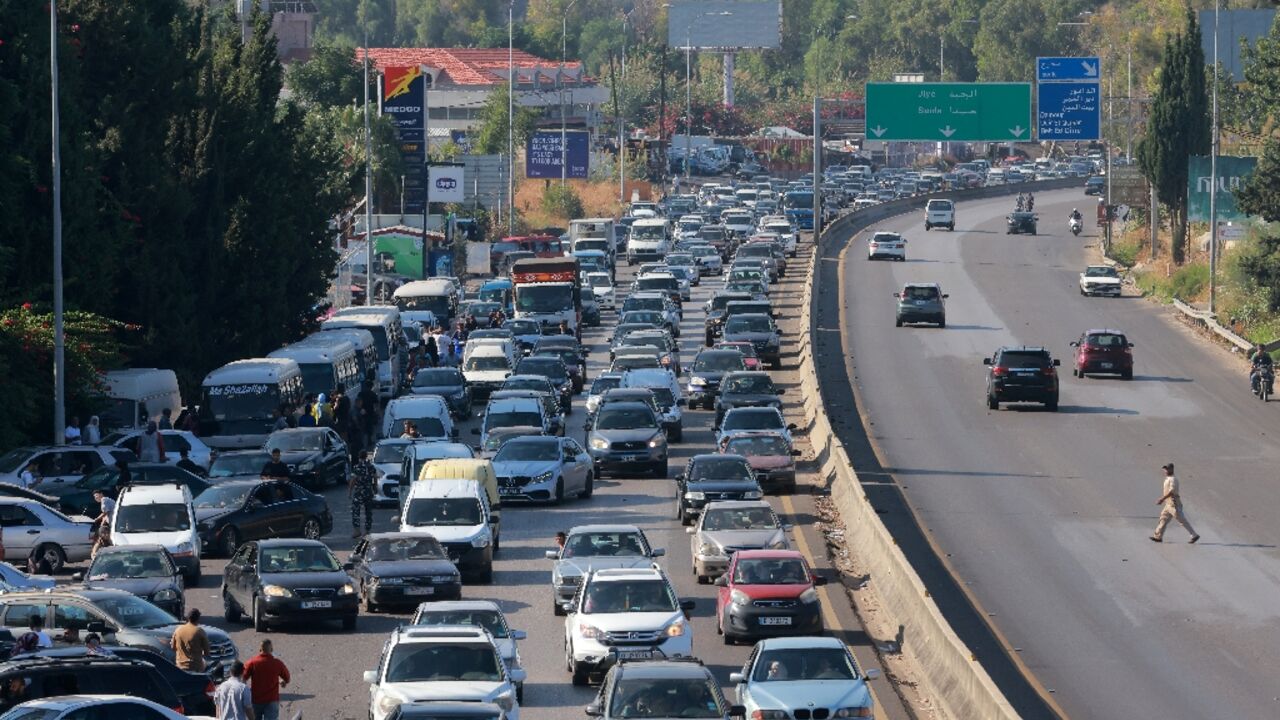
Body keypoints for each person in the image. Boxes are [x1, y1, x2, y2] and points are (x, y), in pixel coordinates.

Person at [1150, 462, 1199, 544]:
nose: (1165, 471)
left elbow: (1172, 491)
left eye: (1167, 469)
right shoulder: (1168, 479)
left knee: (1181, 520)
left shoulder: (1173, 479)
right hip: (1168, 504)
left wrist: (1162, 499)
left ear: (1172, 469)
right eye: (1165, 469)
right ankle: (1158, 537)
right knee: (1163, 519)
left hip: (1174, 503)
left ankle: (1194, 535)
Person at [244, 639, 291, 720]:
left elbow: (242, 678)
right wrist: (282, 681)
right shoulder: (277, 663)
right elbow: (287, 679)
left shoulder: (252, 662)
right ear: (271, 649)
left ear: (260, 649)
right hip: (272, 701)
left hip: (256, 700)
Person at [349, 450, 376, 538]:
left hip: (359, 492)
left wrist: (350, 491)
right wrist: (374, 488)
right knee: (368, 511)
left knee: (356, 511)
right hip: (368, 491)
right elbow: (375, 478)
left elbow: (353, 480)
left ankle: (357, 530)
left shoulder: (357, 467)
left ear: (359, 457)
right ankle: (367, 530)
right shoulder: (371, 467)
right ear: (366, 456)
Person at [91, 489, 115, 557]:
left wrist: (96, 519)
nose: (96, 498)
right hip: (112, 523)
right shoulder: (107, 500)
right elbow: (106, 516)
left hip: (113, 523)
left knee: (103, 537)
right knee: (102, 535)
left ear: (101, 494)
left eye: (96, 495)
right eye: (94, 497)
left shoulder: (104, 500)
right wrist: (101, 524)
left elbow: (105, 513)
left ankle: (94, 553)